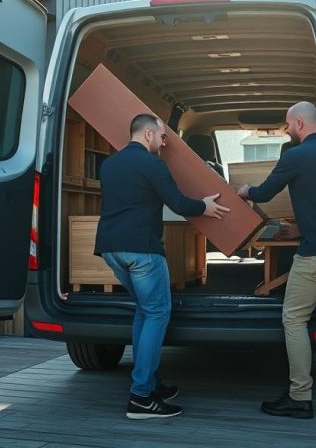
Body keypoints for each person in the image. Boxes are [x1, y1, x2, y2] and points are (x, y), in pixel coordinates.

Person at [238, 101, 316, 419]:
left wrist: (245, 190)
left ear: (298, 124)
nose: (287, 130)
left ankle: (299, 396)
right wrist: (299, 226)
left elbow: (265, 193)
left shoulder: (295, 156)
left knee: (294, 318)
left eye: (287, 125)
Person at [96, 113, 229, 420]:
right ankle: (141, 397)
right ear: (147, 135)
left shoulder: (110, 164)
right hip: (142, 250)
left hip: (110, 249)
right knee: (157, 312)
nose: (164, 141)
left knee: (144, 311)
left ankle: (149, 384)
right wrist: (205, 206)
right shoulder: (153, 164)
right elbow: (179, 204)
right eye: (162, 135)